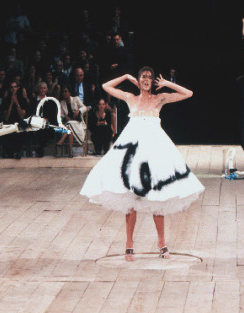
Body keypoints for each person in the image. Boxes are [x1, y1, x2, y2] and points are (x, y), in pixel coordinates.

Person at [80, 67, 205, 261]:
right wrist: (126, 77)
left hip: (155, 151)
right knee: (131, 198)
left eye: (149, 77)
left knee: (158, 198)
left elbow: (188, 93)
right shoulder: (131, 98)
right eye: (143, 77)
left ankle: (161, 243)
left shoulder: (159, 98)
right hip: (133, 153)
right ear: (138, 81)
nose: (146, 79)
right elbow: (106, 86)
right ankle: (129, 244)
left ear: (153, 80)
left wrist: (166, 84)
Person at [56, 85, 89, 157]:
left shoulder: (76, 99)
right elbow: (61, 116)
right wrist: (65, 117)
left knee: (69, 126)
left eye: (66, 91)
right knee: (70, 127)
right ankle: (70, 153)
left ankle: (61, 141)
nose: (64, 93)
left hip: (78, 123)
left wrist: (78, 110)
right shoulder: (62, 103)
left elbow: (85, 107)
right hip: (69, 124)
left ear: (69, 92)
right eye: (63, 92)